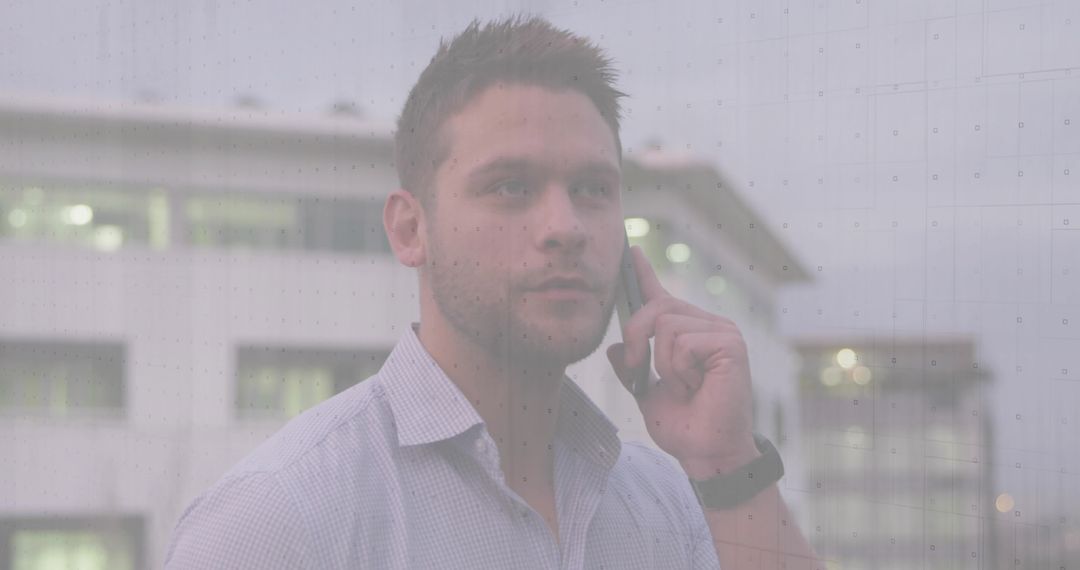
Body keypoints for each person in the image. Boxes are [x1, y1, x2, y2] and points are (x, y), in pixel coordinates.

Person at [165, 14, 821, 569]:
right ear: (410, 228)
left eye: (593, 189)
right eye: (511, 186)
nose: (564, 227)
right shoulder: (281, 517)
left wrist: (727, 464)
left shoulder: (666, 501)